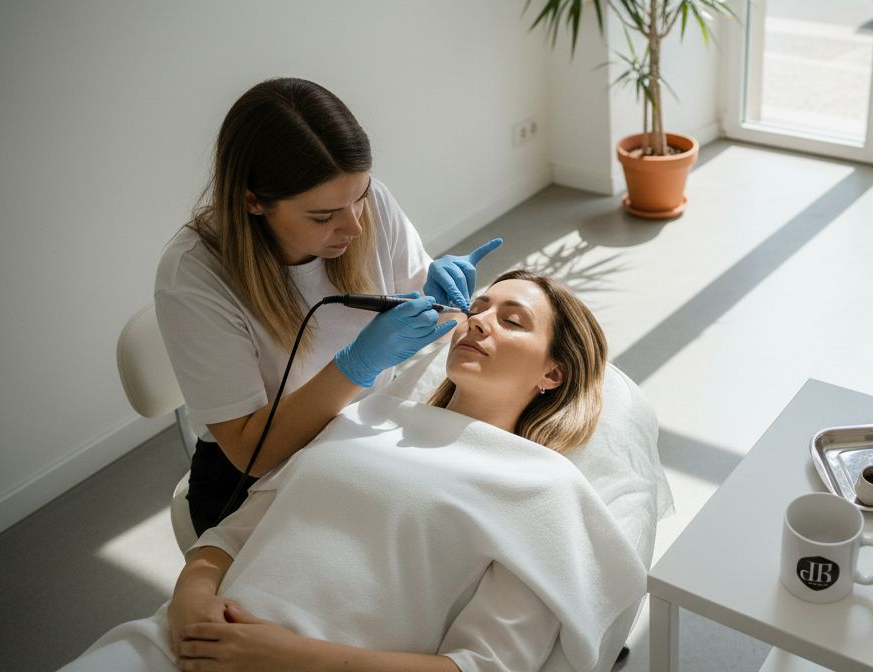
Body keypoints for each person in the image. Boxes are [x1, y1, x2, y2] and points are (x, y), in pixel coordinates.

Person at [61, 270, 631, 672]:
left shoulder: (543, 487)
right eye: (478, 308)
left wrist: (287, 659)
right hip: (183, 644)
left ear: (552, 374)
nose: (480, 322)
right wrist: (189, 604)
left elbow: (481, 668)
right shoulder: (364, 414)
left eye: (512, 320)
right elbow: (230, 536)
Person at [155, 77, 501, 535]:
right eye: (323, 216)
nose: (355, 227)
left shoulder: (364, 203)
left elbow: (424, 302)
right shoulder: (193, 279)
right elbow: (250, 453)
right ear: (253, 201)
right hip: (253, 474)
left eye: (360, 198)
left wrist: (438, 298)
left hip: (359, 430)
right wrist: (356, 365)